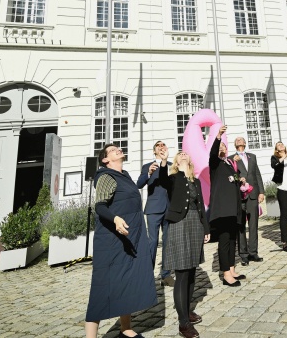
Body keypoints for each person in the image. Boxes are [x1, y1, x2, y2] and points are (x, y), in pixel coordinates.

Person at [85, 143, 157, 338]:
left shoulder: (124, 175)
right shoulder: (106, 176)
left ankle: (126, 329)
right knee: (102, 288)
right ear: (105, 160)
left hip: (129, 238)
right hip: (111, 241)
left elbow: (133, 195)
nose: (117, 149)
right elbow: (100, 206)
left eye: (117, 147)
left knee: (128, 282)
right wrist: (115, 219)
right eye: (112, 150)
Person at [157, 151, 210, 338]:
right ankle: (183, 323)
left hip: (196, 224)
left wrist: (206, 228)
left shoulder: (196, 181)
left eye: (186, 153)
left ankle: (187, 311)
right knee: (182, 272)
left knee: (192, 270)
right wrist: (164, 162)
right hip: (179, 224)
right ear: (176, 161)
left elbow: (201, 206)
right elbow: (162, 180)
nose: (184, 154)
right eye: (180, 154)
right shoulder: (172, 178)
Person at [208, 126, 245, 287]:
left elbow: (232, 180)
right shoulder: (215, 163)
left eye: (224, 146)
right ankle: (226, 275)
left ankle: (231, 269)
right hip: (222, 209)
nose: (222, 148)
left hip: (233, 208)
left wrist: (240, 180)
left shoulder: (228, 164)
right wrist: (218, 136)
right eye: (220, 146)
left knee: (232, 239)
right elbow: (212, 153)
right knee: (224, 241)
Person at [136, 140, 173, 287]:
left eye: (163, 145)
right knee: (152, 242)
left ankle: (166, 275)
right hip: (153, 209)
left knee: (168, 242)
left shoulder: (171, 165)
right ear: (154, 151)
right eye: (158, 145)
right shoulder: (147, 166)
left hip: (169, 208)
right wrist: (148, 173)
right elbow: (139, 184)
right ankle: (148, 275)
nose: (161, 147)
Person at [232, 136, 265, 265]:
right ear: (235, 144)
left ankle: (253, 252)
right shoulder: (231, 158)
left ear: (245, 143)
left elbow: (257, 174)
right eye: (237, 140)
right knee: (240, 225)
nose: (239, 140)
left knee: (253, 224)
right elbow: (231, 176)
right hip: (240, 196)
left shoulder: (252, 157)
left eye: (241, 139)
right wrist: (238, 178)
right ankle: (243, 254)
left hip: (253, 194)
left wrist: (261, 192)